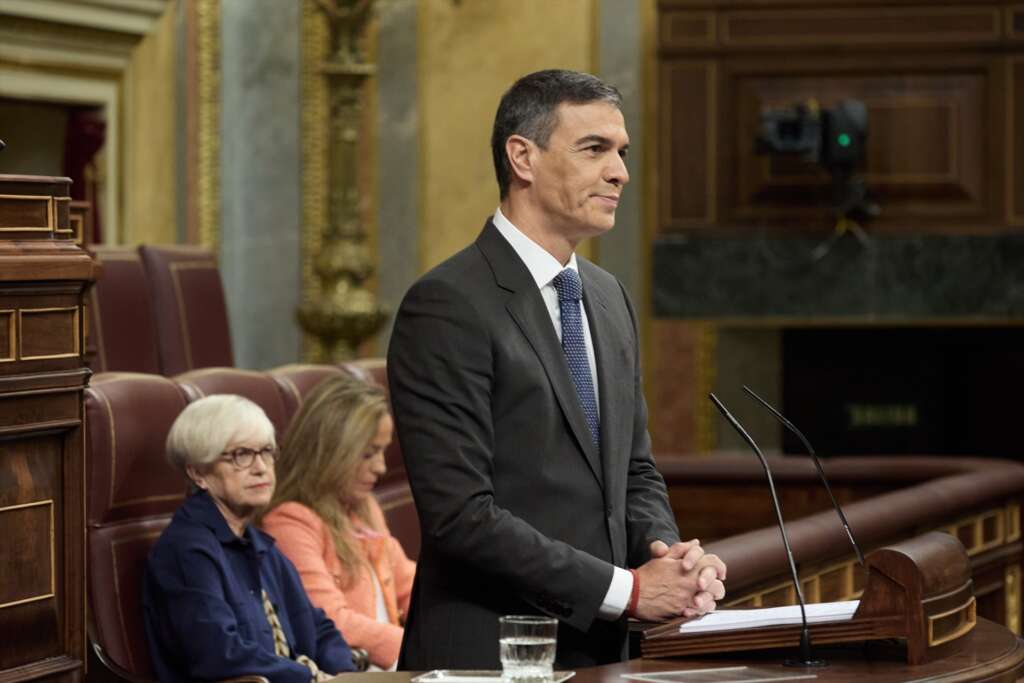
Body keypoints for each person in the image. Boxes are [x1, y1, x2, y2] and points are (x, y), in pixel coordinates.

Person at [386, 69, 727, 670]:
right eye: (594, 149)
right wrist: (631, 591)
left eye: (622, 152)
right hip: (490, 652)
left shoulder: (607, 296)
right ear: (523, 157)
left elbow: (634, 470)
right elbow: (461, 516)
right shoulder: (447, 303)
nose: (620, 172)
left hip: (607, 653)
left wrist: (670, 557)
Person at [142, 395, 356, 683]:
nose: (261, 467)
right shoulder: (187, 550)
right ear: (198, 472)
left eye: (266, 451)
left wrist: (345, 676)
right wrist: (310, 677)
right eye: (241, 455)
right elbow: (220, 655)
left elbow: (319, 628)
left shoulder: (257, 543)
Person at [261, 375, 416, 671]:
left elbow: (411, 586)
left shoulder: (363, 505)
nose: (381, 467)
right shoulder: (289, 521)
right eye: (368, 453)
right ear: (329, 450)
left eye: (382, 450)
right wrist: (416, 646)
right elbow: (331, 620)